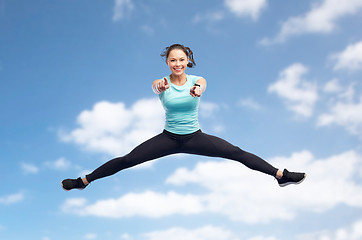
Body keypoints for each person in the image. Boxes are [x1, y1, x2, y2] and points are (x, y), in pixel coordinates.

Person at [61, 44, 306, 191]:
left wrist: (198, 90)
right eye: (172, 60)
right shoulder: (161, 82)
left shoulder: (197, 80)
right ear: (167, 62)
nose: (177, 63)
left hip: (194, 137)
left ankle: (280, 176)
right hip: (168, 139)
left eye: (181, 60)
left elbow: (202, 85)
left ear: (187, 60)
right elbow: (156, 86)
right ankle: (84, 181)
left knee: (236, 152)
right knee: (128, 160)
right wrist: (159, 87)